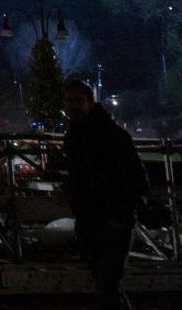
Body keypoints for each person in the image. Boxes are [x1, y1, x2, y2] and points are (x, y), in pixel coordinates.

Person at [63, 78, 148, 310]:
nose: (72, 106)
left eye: (77, 101)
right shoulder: (92, 133)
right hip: (96, 218)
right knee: (107, 283)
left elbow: (134, 179)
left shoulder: (95, 135)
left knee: (106, 283)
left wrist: (117, 214)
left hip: (106, 218)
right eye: (69, 101)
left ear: (89, 102)